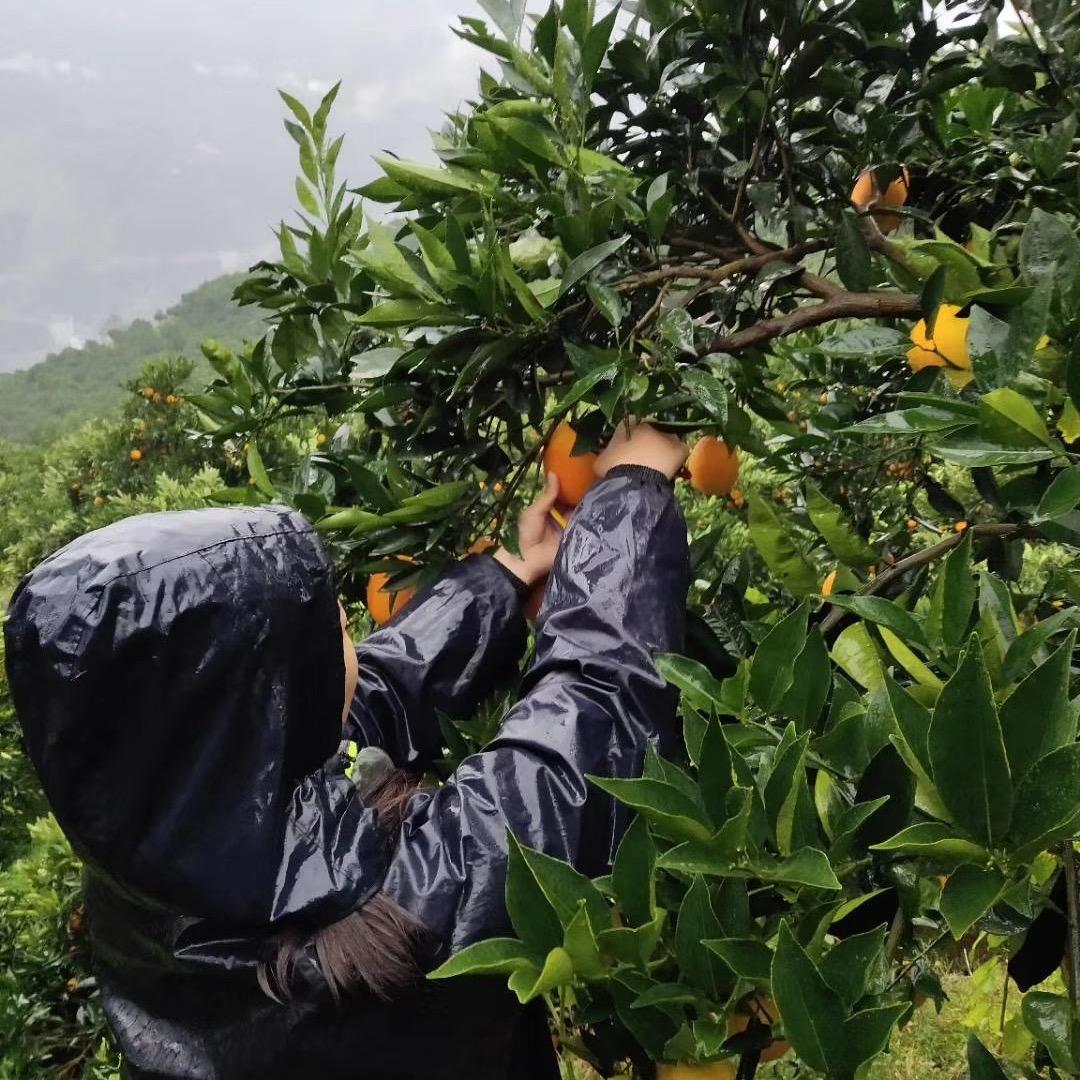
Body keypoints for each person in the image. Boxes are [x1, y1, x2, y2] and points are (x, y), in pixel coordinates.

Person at [4, 421, 690, 1079]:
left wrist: (509, 577)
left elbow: (384, 687)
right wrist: (630, 493)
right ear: (274, 705)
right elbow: (595, 724)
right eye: (335, 630)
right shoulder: (412, 903)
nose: (351, 637)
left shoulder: (144, 857)